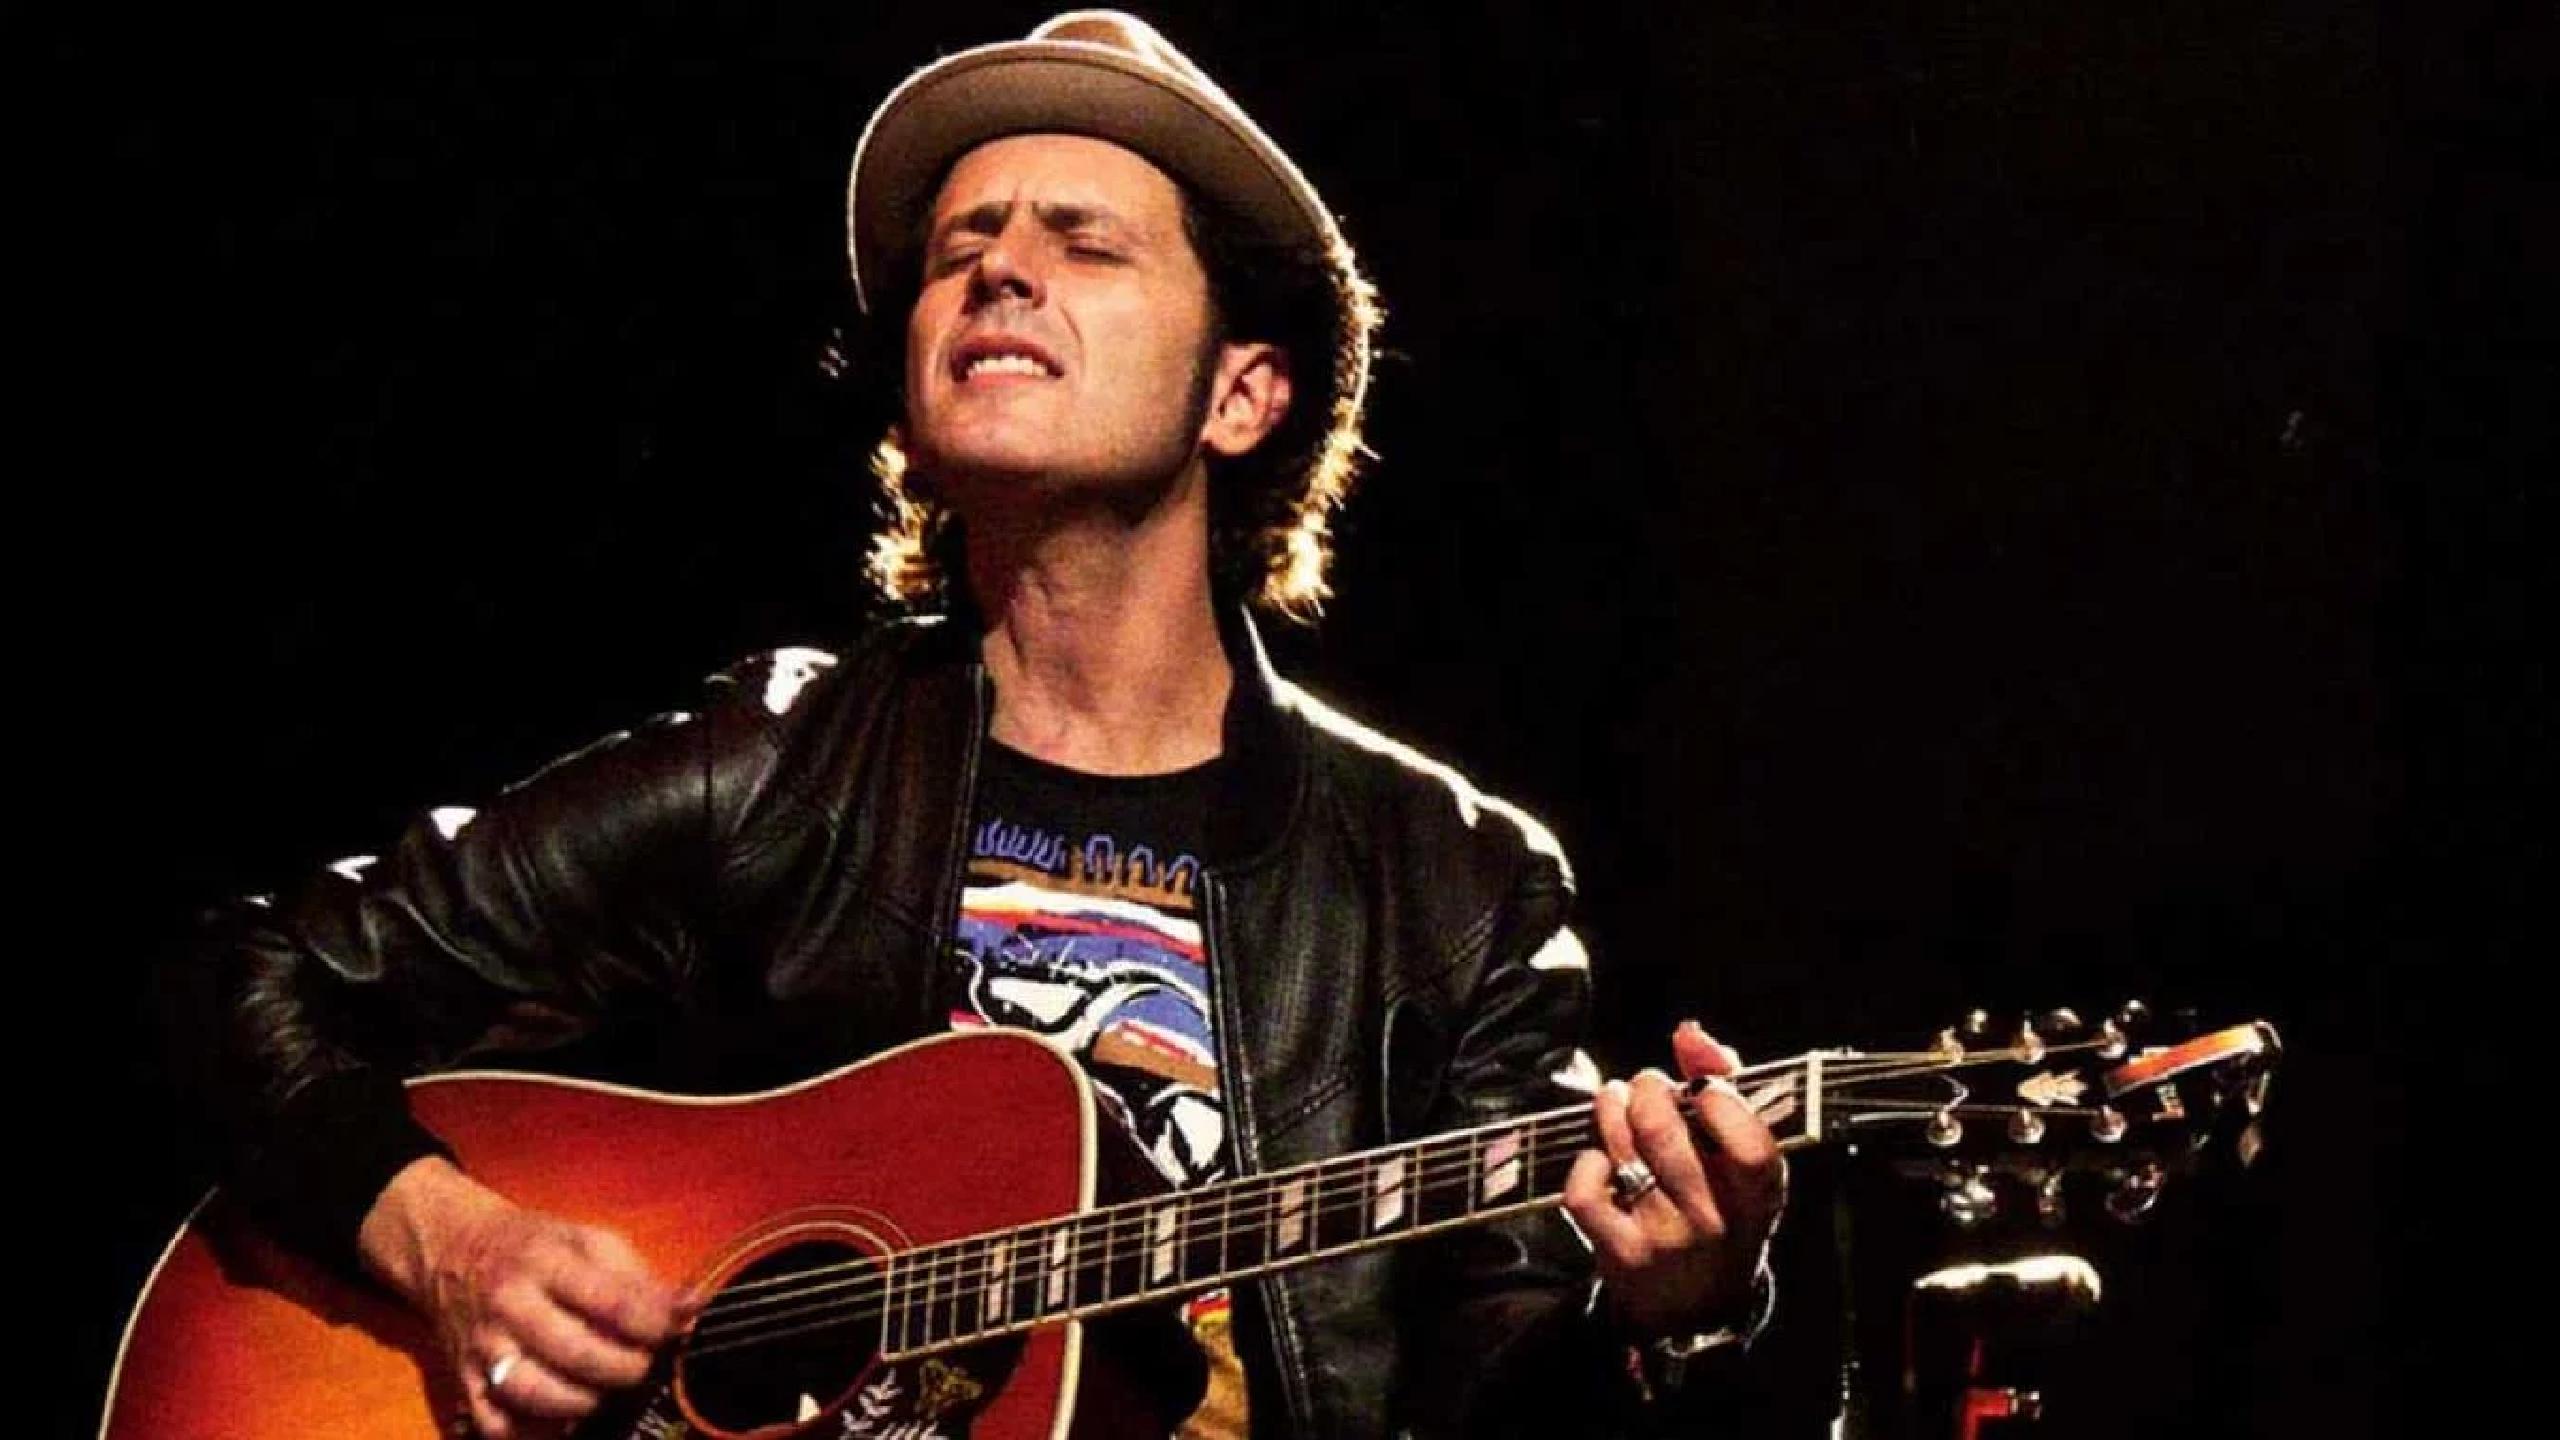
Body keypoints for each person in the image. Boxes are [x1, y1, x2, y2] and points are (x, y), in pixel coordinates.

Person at [163, 13, 1785, 1438]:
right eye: (961, 248)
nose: (998, 268)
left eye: (1085, 244)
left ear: (1242, 394)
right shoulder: (781, 766)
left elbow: (1505, 1392)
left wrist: (1680, 1312)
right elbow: (239, 983)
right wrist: (457, 1245)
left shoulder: (1452, 885)